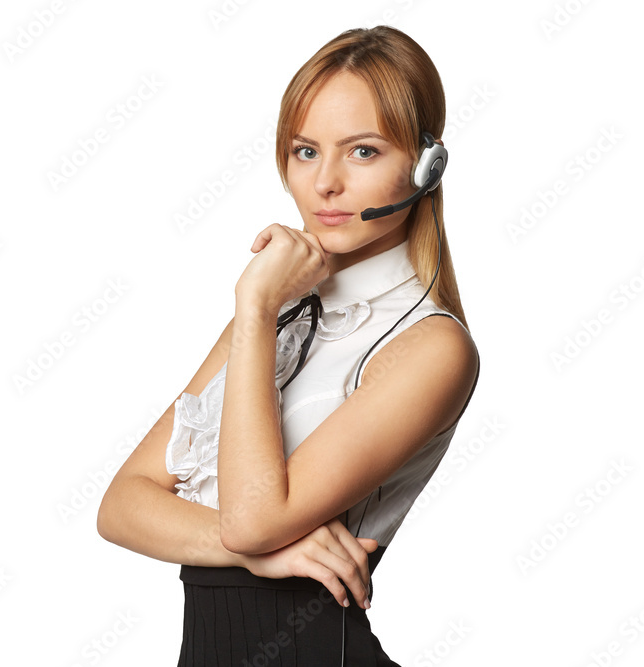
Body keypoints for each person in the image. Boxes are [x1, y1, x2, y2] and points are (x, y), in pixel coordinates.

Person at [97, 25, 480, 666]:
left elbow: (252, 520)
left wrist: (253, 305)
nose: (325, 182)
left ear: (425, 166)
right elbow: (121, 506)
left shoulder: (431, 346)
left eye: (362, 152)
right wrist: (263, 553)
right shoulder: (277, 313)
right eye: (305, 151)